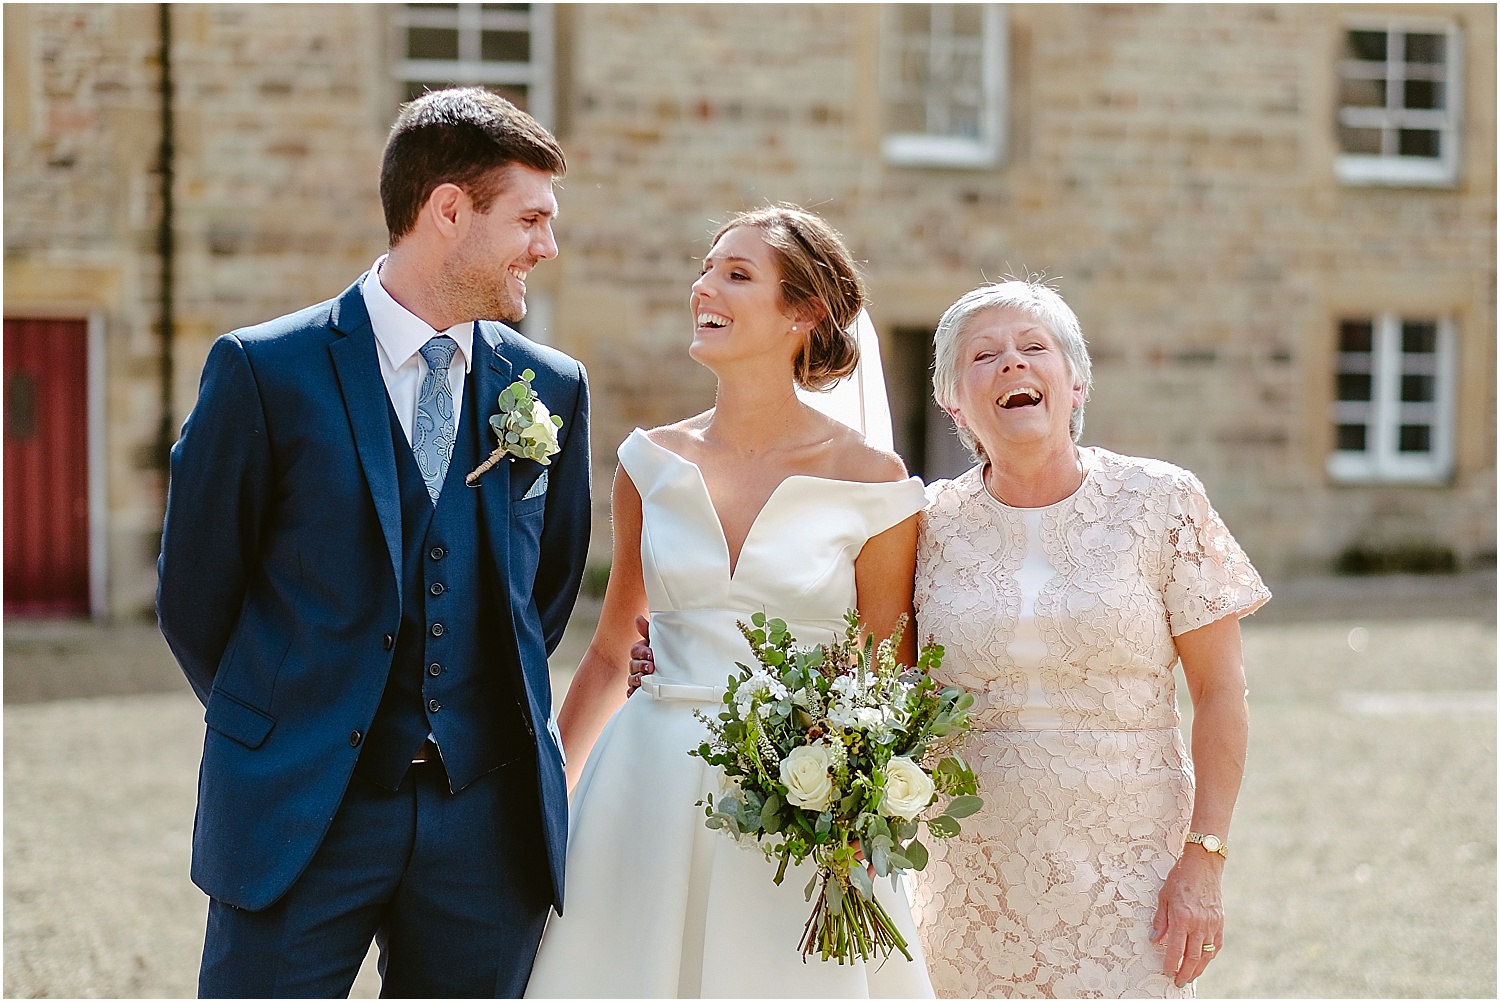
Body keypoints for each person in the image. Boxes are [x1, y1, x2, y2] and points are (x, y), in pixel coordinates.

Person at [156, 87, 591, 997]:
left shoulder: (552, 389)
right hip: (300, 809)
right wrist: (289, 721)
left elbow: (542, 594)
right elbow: (197, 593)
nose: (547, 247)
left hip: (484, 825)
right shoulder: (265, 371)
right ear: (447, 212)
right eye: (531, 219)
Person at [524, 205, 935, 998]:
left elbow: (890, 671)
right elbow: (613, 652)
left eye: (737, 274)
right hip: (645, 786)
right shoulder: (649, 461)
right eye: (707, 269)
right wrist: (548, 798)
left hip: (798, 803)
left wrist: (851, 799)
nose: (704, 287)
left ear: (804, 313)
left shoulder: (875, 483)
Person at [907, 279, 1268, 998]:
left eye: (1034, 347)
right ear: (954, 401)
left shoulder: (1161, 502)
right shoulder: (924, 523)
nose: (1012, 363)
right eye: (985, 356)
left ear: (1074, 383)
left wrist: (1206, 857)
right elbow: (864, 657)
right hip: (968, 870)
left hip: (1131, 865)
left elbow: (1222, 692)